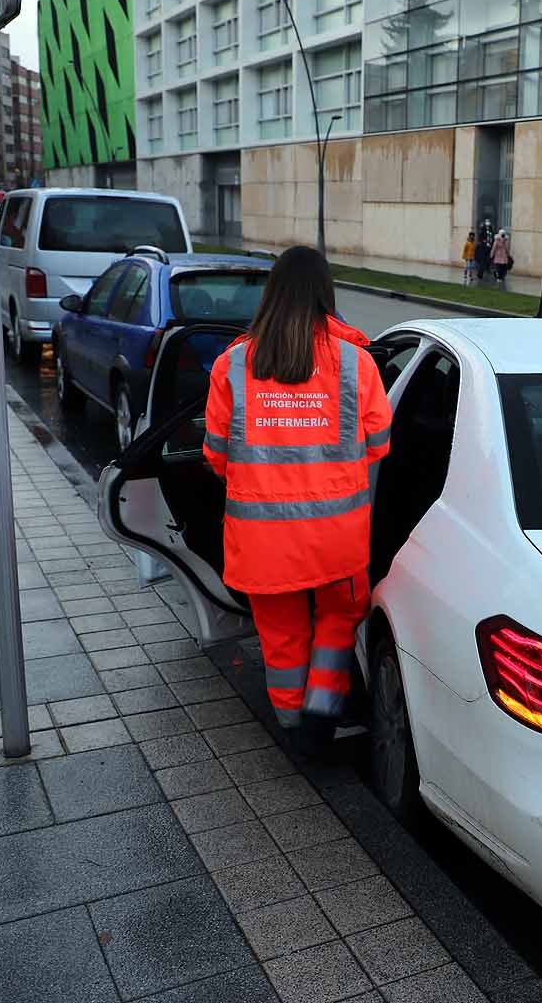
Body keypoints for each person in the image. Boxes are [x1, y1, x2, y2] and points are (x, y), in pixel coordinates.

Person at [201, 246, 392, 747]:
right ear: (325, 292)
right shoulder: (355, 362)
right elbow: (379, 444)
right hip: (338, 537)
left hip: (262, 541)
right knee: (340, 614)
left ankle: (293, 727)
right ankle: (322, 710)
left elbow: (216, 455)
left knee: (281, 635)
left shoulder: (233, 365)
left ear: (272, 293)